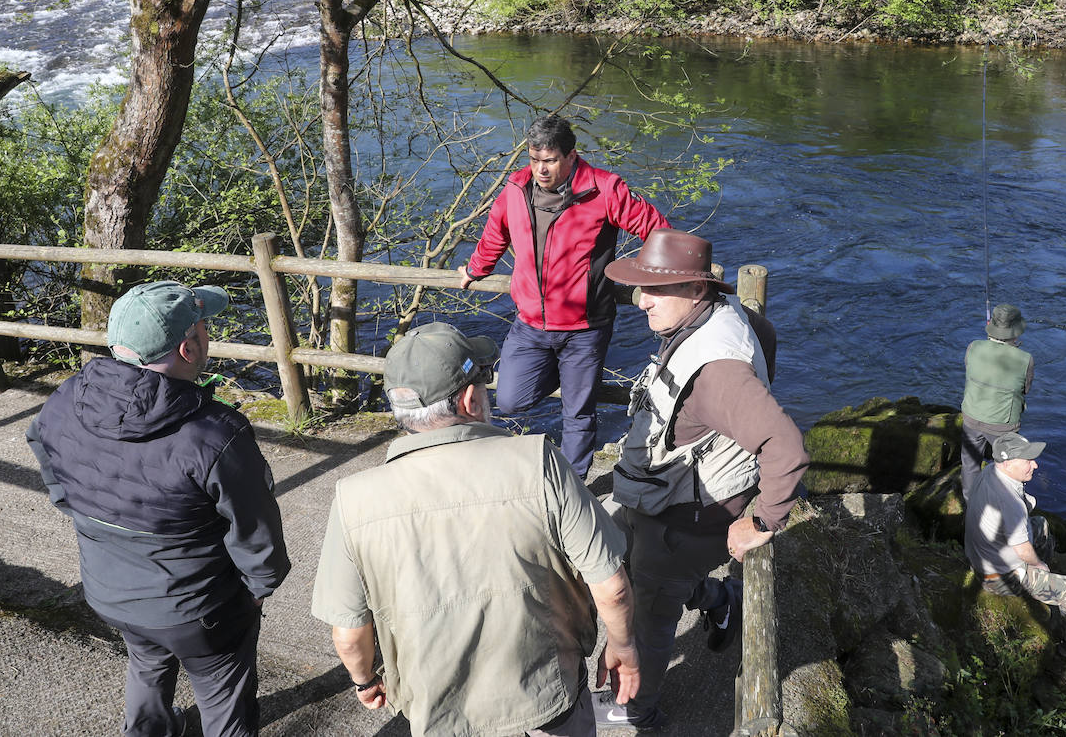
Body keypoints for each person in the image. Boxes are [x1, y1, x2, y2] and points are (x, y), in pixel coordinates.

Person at [311, 322, 640, 736]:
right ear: (469, 399)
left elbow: (349, 632)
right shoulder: (538, 461)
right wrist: (623, 647)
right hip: (546, 698)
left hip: (439, 710)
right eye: (483, 382)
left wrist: (364, 680)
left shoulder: (353, 498)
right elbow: (612, 587)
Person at [27, 281, 290, 737]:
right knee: (223, 694)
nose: (209, 330)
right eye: (204, 324)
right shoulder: (214, 434)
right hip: (200, 608)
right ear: (188, 348)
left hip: (110, 590)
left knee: (147, 661)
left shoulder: (68, 398)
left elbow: (46, 456)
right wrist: (257, 587)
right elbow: (255, 528)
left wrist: (82, 514)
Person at [593, 228, 810, 730]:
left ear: (695, 290)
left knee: (647, 611)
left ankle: (637, 710)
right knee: (641, 574)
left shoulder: (717, 371)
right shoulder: (735, 320)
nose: (640, 301)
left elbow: (786, 448)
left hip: (687, 514)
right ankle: (719, 600)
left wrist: (761, 521)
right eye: (640, 287)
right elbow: (767, 344)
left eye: (654, 290)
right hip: (678, 497)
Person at [458, 113, 670, 478]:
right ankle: (562, 373)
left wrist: (653, 277)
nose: (541, 169)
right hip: (530, 325)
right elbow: (496, 234)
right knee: (509, 399)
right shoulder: (515, 190)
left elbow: (657, 230)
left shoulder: (604, 190)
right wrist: (476, 269)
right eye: (535, 159)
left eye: (550, 160)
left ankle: (575, 485)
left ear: (571, 156)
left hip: (585, 327)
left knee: (578, 412)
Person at [964, 433, 1066, 660]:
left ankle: (1047, 585)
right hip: (999, 576)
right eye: (1028, 461)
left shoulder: (990, 472)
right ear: (1008, 463)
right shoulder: (1009, 502)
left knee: (1041, 524)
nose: (1035, 465)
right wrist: (1039, 564)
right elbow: (1023, 549)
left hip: (981, 555)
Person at [960, 302, 1034, 495]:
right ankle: (1008, 504)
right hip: (1002, 424)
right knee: (1009, 467)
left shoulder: (973, 347)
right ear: (1016, 333)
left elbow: (970, 371)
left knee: (969, 464)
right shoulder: (1025, 359)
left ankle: (972, 506)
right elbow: (1025, 389)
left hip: (971, 416)